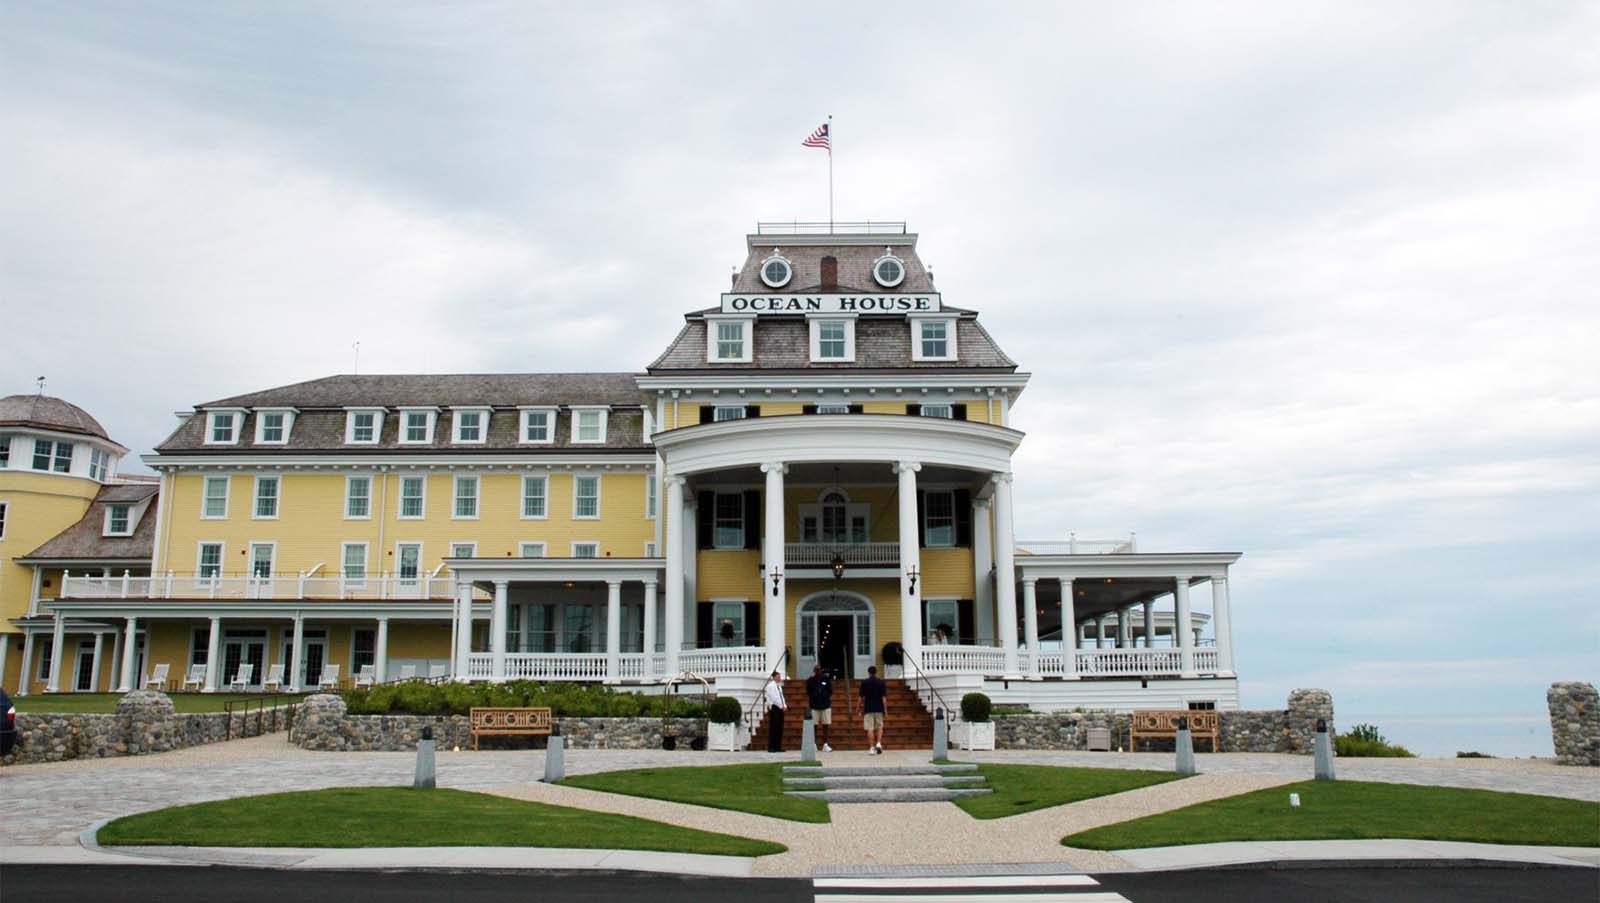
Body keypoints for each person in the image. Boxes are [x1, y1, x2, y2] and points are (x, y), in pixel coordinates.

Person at [859, 664, 888, 755]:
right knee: (879, 727)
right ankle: (878, 743)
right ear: (876, 672)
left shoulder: (864, 683)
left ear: (868, 672)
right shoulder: (881, 682)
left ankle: (871, 747)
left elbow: (861, 697)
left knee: (870, 728)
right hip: (879, 708)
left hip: (868, 708)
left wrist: (858, 707)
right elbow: (883, 698)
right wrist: (885, 709)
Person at [806, 664, 834, 752]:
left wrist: (825, 697)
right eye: (816, 670)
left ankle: (825, 744)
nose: (817, 671)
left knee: (825, 725)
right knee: (814, 725)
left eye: (819, 670)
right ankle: (814, 744)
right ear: (814, 671)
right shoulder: (810, 680)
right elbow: (808, 692)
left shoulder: (826, 679)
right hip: (814, 706)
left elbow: (830, 691)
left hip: (825, 705)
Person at [764, 670, 787, 753]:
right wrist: (781, 706)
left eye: (780, 676)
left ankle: (778, 746)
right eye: (778, 676)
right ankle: (772, 747)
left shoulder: (779, 686)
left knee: (779, 727)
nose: (779, 678)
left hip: (780, 708)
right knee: (774, 728)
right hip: (774, 708)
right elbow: (774, 698)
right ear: (773, 677)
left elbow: (781, 697)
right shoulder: (771, 686)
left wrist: (784, 705)